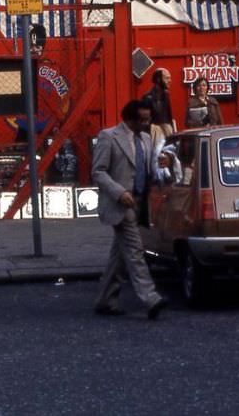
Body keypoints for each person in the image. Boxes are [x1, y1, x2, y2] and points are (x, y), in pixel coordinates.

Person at [92, 100, 168, 320]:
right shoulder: (109, 136)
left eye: (148, 119)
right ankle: (150, 297)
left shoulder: (145, 138)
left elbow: (148, 169)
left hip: (139, 202)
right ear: (129, 118)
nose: (146, 123)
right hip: (121, 204)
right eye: (142, 119)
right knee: (135, 251)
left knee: (119, 256)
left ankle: (105, 300)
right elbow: (98, 171)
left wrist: (161, 165)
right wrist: (119, 192)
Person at [143, 68, 175, 138]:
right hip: (153, 134)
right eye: (166, 78)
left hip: (167, 132)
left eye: (169, 78)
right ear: (158, 79)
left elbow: (169, 116)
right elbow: (144, 120)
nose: (169, 81)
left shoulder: (166, 94)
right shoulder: (148, 97)